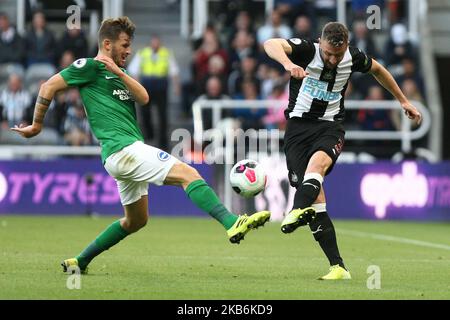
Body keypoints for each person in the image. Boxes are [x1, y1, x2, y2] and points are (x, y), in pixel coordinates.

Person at [11, 17, 270, 274]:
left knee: (136, 220)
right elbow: (48, 85)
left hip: (122, 154)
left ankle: (80, 261)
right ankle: (231, 222)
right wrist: (36, 125)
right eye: (124, 45)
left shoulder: (116, 73)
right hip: (123, 150)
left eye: (130, 45)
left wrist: (117, 71)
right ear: (108, 44)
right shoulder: (88, 67)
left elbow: (144, 97)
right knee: (187, 173)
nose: (129, 50)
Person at [263, 22, 421, 280]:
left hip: (330, 127)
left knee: (317, 169)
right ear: (320, 42)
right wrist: (287, 64)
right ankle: (338, 267)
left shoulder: (353, 57)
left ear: (346, 46)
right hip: (297, 131)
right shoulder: (305, 51)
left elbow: (379, 70)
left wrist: (403, 100)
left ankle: (295, 210)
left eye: (338, 54)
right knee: (316, 202)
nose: (333, 59)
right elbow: (271, 44)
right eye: (328, 53)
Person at [128, 35, 181, 150]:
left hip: (161, 85)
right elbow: (134, 70)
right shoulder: (143, 53)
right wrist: (137, 86)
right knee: (145, 112)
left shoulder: (166, 53)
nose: (155, 44)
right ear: (151, 43)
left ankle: (163, 141)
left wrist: (176, 86)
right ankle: (148, 135)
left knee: (163, 115)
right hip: (147, 85)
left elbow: (174, 71)